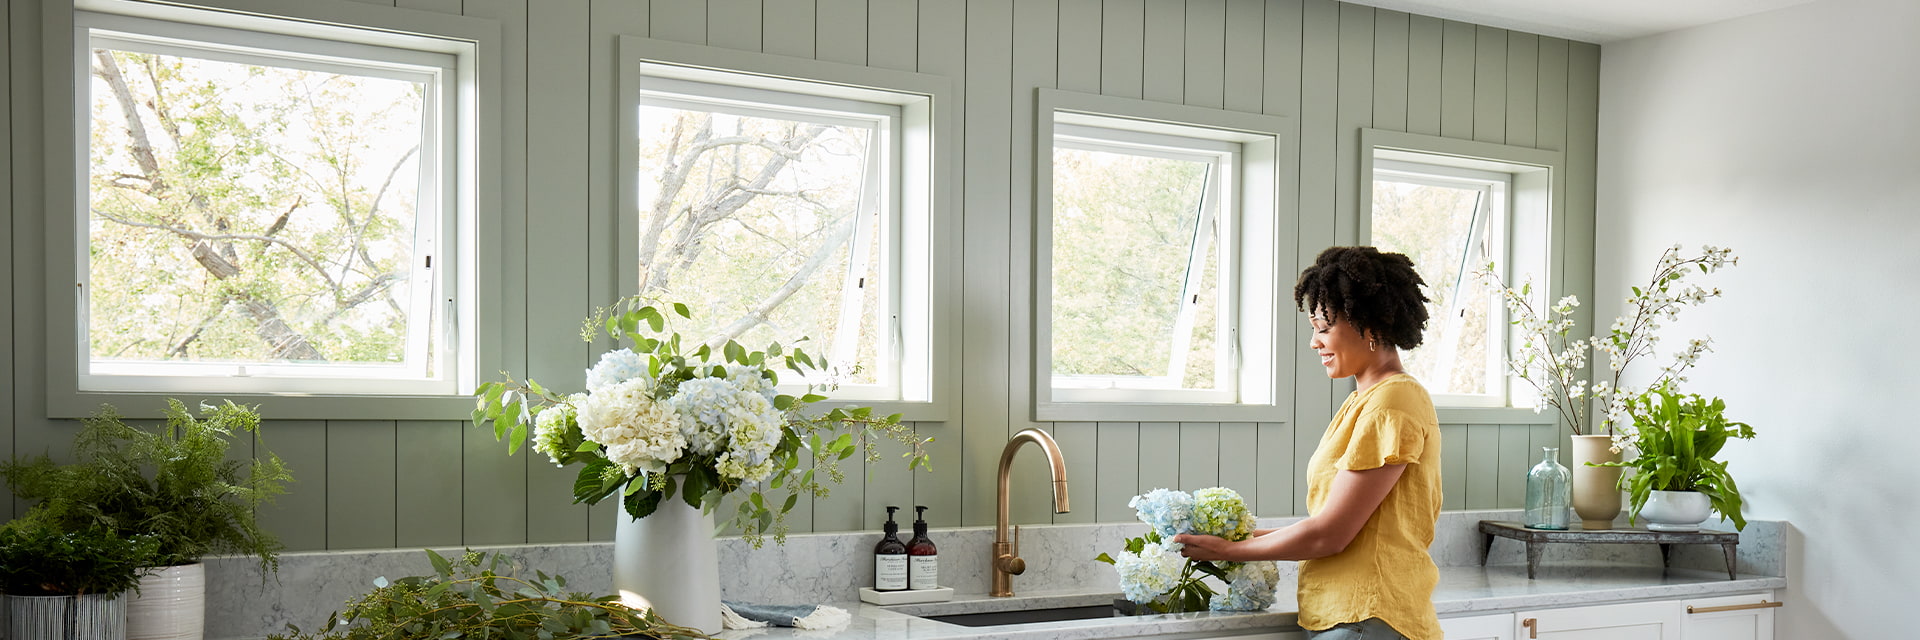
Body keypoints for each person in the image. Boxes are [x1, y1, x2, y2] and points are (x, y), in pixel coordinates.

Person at [1173, 246, 1442, 640]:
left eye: (1323, 327)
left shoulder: (1393, 401)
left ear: (1369, 325)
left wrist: (1228, 551)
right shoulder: (1365, 399)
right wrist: (1233, 538)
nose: (1314, 342)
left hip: (1368, 616)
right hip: (1351, 618)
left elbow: (1329, 535)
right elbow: (1331, 523)